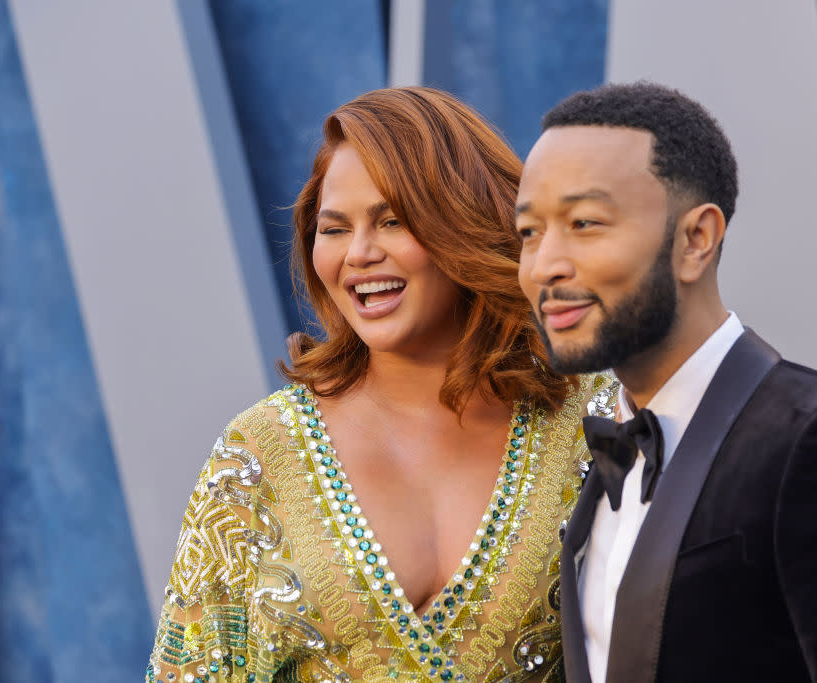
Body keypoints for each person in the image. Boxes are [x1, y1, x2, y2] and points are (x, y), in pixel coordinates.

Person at [146, 87, 616, 683]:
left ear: (466, 224)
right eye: (334, 229)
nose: (360, 254)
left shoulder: (595, 425)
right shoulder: (258, 456)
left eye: (393, 220)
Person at [514, 81, 817, 683]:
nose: (545, 265)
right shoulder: (600, 464)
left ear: (696, 240)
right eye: (528, 233)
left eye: (586, 223)